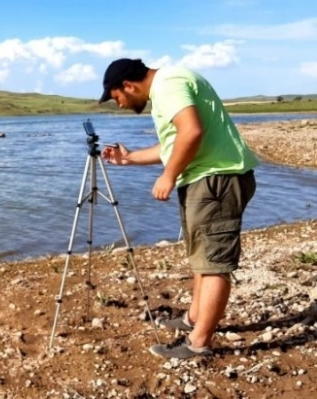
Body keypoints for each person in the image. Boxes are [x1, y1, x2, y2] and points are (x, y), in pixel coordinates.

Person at [98, 58, 259, 359]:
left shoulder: (168, 84)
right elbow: (173, 145)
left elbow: (191, 132)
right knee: (202, 257)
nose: (117, 104)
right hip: (208, 178)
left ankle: (198, 343)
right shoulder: (169, 85)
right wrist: (129, 157)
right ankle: (194, 320)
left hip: (215, 180)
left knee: (213, 263)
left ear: (128, 85)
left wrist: (168, 176)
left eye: (116, 97)